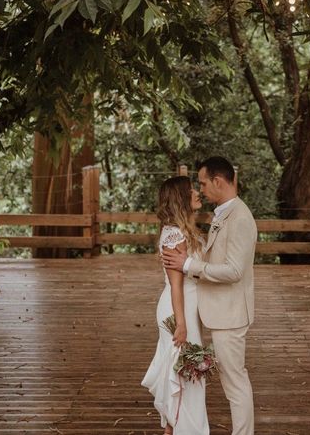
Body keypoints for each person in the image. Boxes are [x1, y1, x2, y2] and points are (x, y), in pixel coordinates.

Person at [162, 157, 256, 435]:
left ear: (218, 181)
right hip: (215, 310)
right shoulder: (222, 212)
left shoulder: (239, 217)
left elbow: (235, 270)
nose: (200, 189)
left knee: (235, 383)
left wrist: (189, 265)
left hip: (229, 314)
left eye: (202, 183)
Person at [142, 175, 210, 434]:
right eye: (191, 190)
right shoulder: (174, 235)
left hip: (188, 309)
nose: (197, 193)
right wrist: (181, 323)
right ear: (180, 198)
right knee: (186, 378)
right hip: (177, 310)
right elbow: (176, 285)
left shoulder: (185, 231)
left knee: (185, 376)